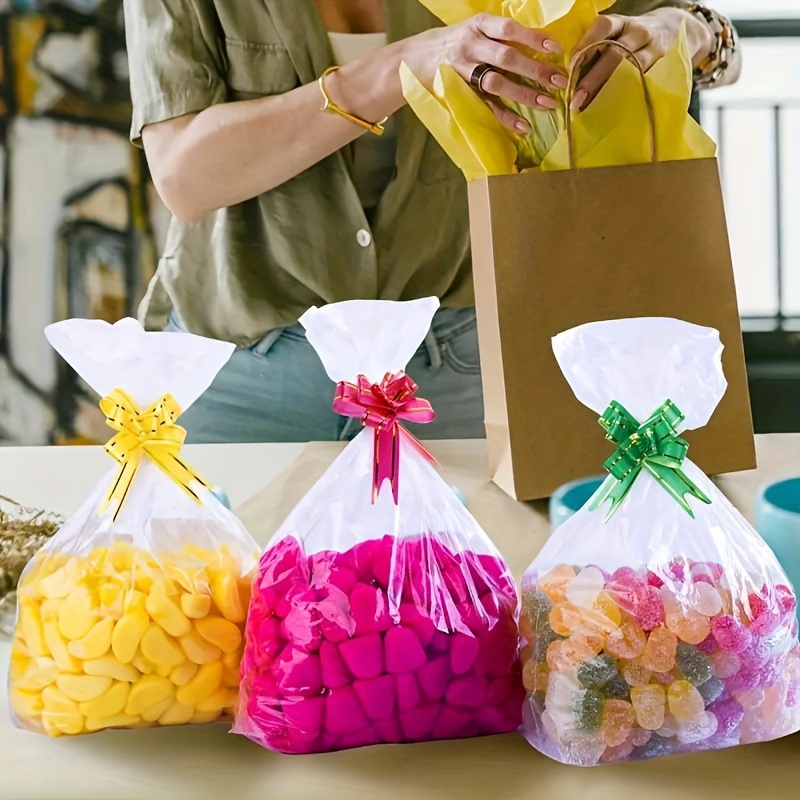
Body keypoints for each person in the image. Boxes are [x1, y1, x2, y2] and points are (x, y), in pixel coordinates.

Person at [123, 1, 740, 443]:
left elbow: (707, 36)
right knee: (215, 606)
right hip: (241, 363)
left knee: (472, 605)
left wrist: (678, 29)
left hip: (463, 359)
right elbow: (185, 176)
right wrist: (404, 67)